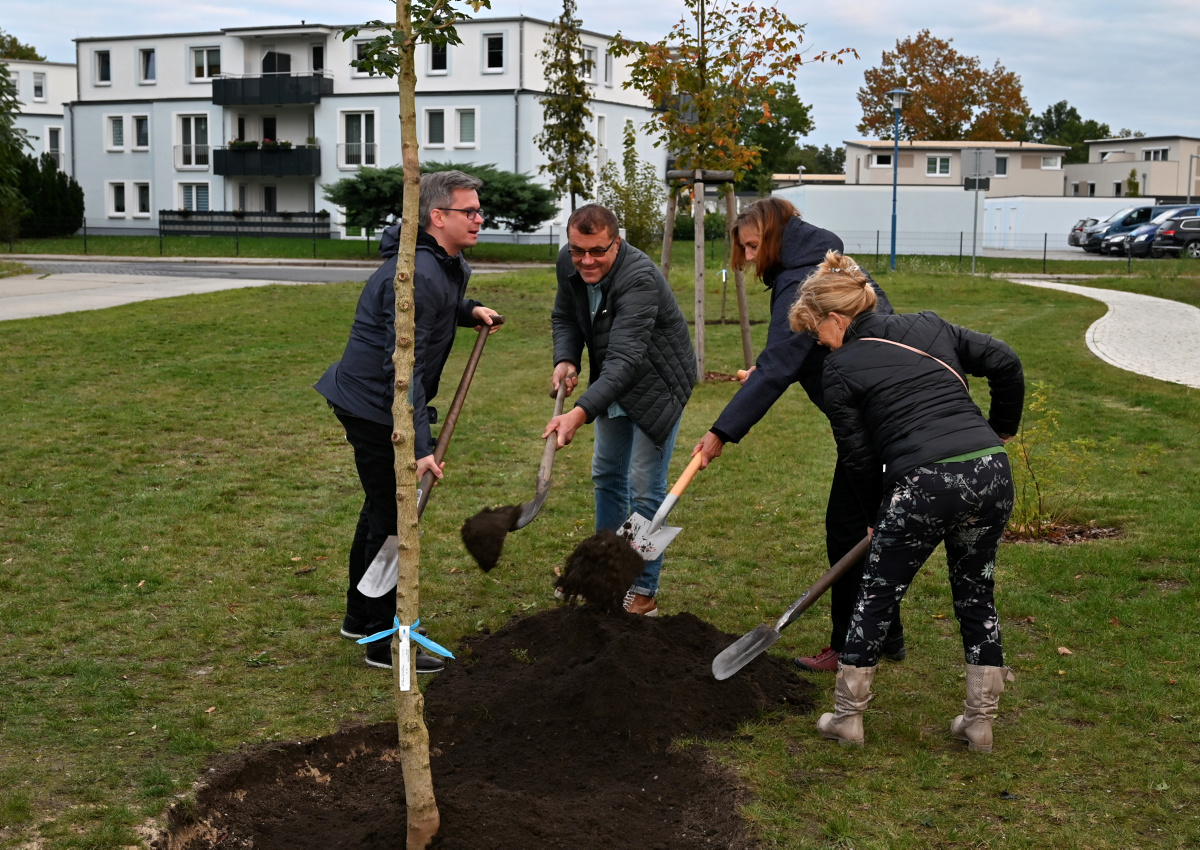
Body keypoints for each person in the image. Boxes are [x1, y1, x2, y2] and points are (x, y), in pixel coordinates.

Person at [790, 251, 1023, 751]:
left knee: (877, 592)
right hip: (990, 472)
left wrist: (877, 515)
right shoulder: (930, 325)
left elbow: (858, 458)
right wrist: (1000, 430)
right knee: (975, 592)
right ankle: (979, 723)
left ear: (836, 318)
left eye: (815, 330)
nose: (816, 342)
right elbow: (1004, 360)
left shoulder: (839, 370)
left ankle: (848, 718)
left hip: (924, 483)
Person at [690, 197, 905, 672]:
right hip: (892, 416)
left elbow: (779, 366)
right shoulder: (841, 266)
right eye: (743, 249)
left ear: (774, 237)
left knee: (849, 530)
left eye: (752, 246)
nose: (748, 258)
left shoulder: (800, 282)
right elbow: (816, 348)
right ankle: (886, 633)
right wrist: (772, 368)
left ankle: (850, 645)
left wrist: (721, 432)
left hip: (870, 426)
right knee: (872, 527)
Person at [315, 170, 501, 671]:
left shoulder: (443, 262)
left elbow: (436, 309)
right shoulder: (416, 271)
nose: (479, 219)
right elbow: (404, 369)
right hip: (375, 403)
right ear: (437, 217)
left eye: (479, 211)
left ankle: (361, 619)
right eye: (470, 212)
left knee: (382, 510)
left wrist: (469, 310)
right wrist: (419, 444)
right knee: (395, 516)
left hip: (378, 398)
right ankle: (382, 641)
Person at [542, 203, 697, 616]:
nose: (586, 261)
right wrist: (566, 358)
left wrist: (579, 412)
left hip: (659, 383)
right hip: (615, 375)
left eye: (597, 251)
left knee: (646, 484)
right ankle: (604, 574)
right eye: (578, 250)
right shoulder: (569, 262)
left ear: (617, 242)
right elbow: (565, 316)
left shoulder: (640, 278)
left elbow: (627, 359)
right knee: (607, 473)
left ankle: (642, 589)